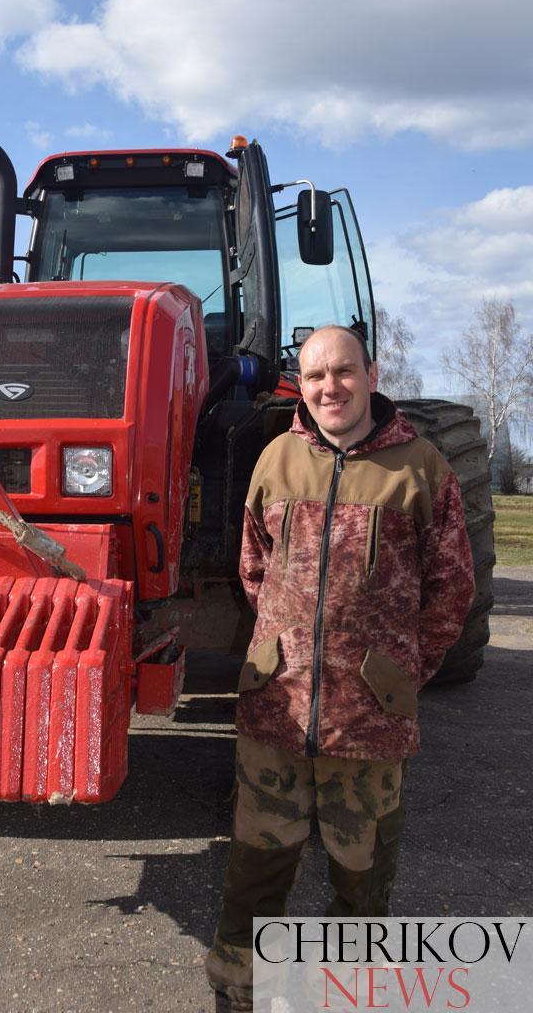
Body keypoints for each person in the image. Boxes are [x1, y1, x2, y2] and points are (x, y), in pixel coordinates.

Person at [205, 325, 475, 1013]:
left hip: (369, 725)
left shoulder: (422, 469)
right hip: (276, 710)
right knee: (254, 873)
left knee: (362, 881)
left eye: (344, 371)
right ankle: (239, 995)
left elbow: (452, 592)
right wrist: (284, 651)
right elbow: (253, 569)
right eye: (317, 374)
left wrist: (397, 675)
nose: (330, 387)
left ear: (372, 373)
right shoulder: (275, 460)